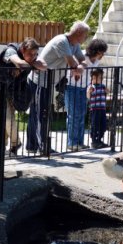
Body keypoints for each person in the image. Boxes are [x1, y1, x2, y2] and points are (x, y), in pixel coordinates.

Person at [26, 21, 89, 154]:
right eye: (85, 35)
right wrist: (77, 68)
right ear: (78, 33)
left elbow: (82, 60)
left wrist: (80, 68)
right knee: (40, 114)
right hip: (40, 81)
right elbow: (72, 63)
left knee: (40, 113)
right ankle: (42, 146)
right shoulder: (62, 42)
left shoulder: (74, 44)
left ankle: (33, 146)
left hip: (49, 82)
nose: (86, 38)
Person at [0, 37, 47, 157]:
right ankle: (16, 143)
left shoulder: (31, 58)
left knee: (7, 119)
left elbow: (44, 65)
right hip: (0, 88)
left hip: (14, 91)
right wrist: (27, 65)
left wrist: (28, 64)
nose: (33, 56)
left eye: (35, 54)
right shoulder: (11, 51)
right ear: (22, 49)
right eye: (30, 54)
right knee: (7, 118)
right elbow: (19, 62)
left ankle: (5, 147)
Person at [65, 39, 108, 152]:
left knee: (81, 114)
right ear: (95, 51)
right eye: (101, 52)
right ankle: (72, 143)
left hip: (83, 88)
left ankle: (79, 142)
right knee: (73, 115)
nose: (102, 55)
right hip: (72, 87)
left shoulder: (95, 61)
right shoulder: (82, 57)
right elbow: (71, 71)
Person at [87, 69, 109, 149]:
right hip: (95, 109)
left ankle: (99, 140)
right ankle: (94, 141)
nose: (97, 80)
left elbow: (108, 92)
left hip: (102, 108)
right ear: (92, 78)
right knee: (95, 124)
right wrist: (89, 92)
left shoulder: (103, 86)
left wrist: (107, 90)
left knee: (102, 125)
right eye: (95, 78)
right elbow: (88, 97)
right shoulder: (91, 87)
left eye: (99, 78)